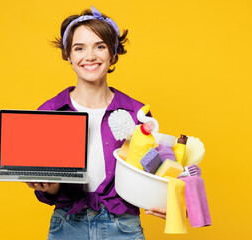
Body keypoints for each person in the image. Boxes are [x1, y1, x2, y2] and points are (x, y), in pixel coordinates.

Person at [27, 6, 166, 240]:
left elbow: (156, 168)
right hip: (67, 226)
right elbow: (48, 191)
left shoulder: (137, 113)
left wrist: (166, 199)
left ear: (112, 53)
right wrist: (48, 187)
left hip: (124, 227)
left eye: (99, 46)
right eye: (79, 48)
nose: (89, 56)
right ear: (68, 55)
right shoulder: (50, 111)